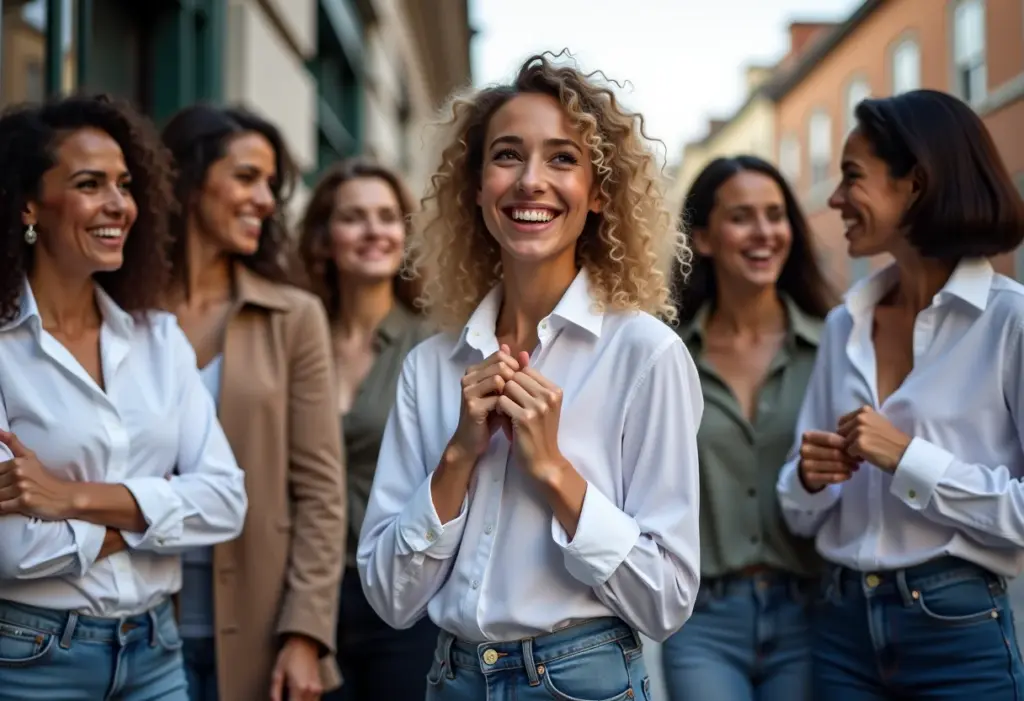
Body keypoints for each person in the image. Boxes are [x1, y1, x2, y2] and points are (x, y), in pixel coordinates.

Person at [356, 52, 703, 700]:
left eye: (562, 158)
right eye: (508, 155)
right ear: (476, 186)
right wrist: (458, 457)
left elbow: (667, 600)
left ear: (599, 192)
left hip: (585, 681)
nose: (530, 181)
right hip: (451, 678)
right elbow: (390, 596)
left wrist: (554, 471)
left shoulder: (645, 355)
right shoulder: (430, 366)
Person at [776, 89, 1024, 699]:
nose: (834, 199)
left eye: (852, 177)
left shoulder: (1009, 323)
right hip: (839, 631)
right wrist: (808, 480)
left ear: (915, 183)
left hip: (958, 631)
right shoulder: (844, 325)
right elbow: (798, 511)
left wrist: (908, 457)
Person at [0, 95, 247, 699]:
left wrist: (70, 497)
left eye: (126, 184)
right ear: (28, 203)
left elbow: (225, 502)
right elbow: (14, 550)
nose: (120, 206)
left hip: (156, 652)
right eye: (90, 184)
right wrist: (152, 515)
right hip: (32, 660)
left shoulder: (157, 337)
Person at [160, 104, 345, 701]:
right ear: (188, 181)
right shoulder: (121, 314)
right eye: (246, 178)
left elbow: (321, 492)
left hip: (261, 635)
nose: (265, 200)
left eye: (271, 184)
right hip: (133, 627)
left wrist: (306, 633)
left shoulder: (294, 317)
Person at [661, 155, 837, 701]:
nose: (764, 233)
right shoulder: (668, 356)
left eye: (775, 215)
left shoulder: (835, 344)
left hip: (813, 611)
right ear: (705, 238)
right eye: (742, 217)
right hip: (703, 620)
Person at [298, 158, 437, 701]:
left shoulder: (434, 345)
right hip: (307, 596)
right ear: (324, 238)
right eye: (354, 218)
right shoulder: (296, 341)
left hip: (404, 598)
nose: (375, 231)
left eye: (388, 216)